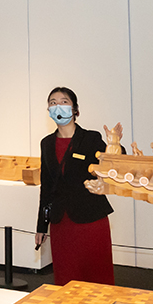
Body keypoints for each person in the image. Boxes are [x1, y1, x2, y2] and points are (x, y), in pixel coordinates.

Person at [33, 87, 116, 287]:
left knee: (97, 276)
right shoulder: (46, 143)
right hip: (61, 223)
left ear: (75, 109)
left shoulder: (90, 138)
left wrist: (115, 144)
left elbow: (114, 164)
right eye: (52, 102)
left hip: (90, 219)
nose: (57, 106)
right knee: (66, 278)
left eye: (64, 101)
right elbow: (47, 187)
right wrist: (41, 226)